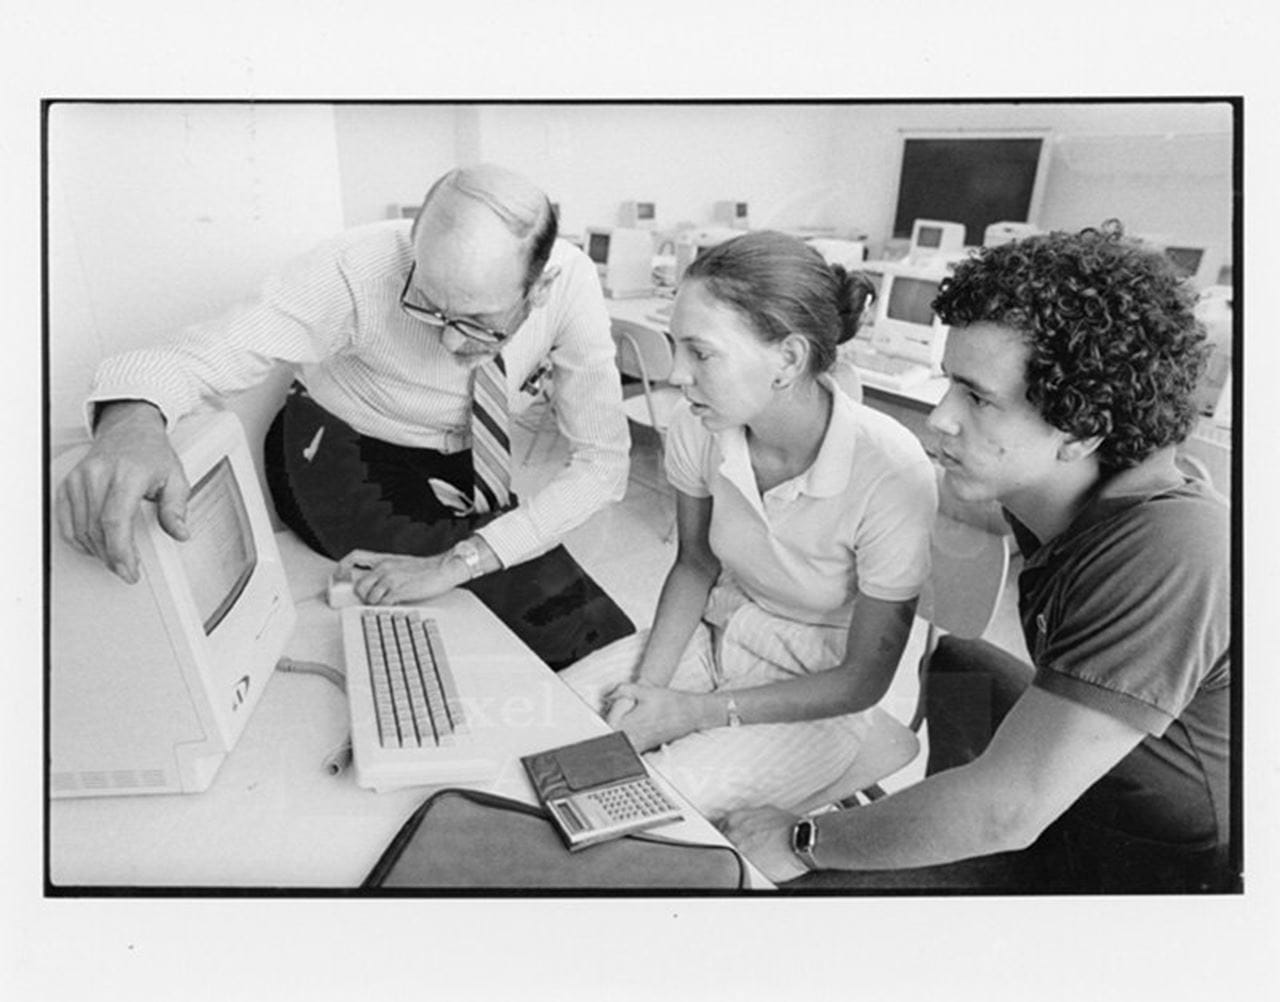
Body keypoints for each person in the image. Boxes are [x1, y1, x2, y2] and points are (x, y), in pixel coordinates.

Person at [723, 222, 1233, 893]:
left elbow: (1010, 810)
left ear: (1081, 430)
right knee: (961, 663)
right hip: (1105, 773)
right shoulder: (1070, 485)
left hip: (1158, 856)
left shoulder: (1171, 549)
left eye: (978, 398)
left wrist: (803, 838)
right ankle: (948, 825)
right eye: (949, 384)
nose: (940, 418)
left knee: (802, 889)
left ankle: (964, 854)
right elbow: (909, 498)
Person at [54, 164, 634, 669]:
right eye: (428, 307)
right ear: (415, 243)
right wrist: (132, 418)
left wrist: (461, 560)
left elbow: (602, 464)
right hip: (342, 454)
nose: (453, 345)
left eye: (480, 322)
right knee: (468, 613)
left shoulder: (573, 281)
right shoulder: (353, 268)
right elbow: (207, 353)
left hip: (464, 462)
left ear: (540, 285)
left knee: (587, 630)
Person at [561, 231, 938, 818]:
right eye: (674, 347)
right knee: (555, 724)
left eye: (700, 353)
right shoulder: (700, 427)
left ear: (787, 358)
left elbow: (863, 680)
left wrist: (689, 714)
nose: (678, 376)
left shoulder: (891, 470)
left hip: (815, 696)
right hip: (716, 638)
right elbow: (694, 564)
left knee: (633, 804)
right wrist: (650, 693)